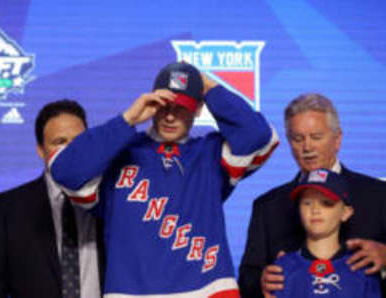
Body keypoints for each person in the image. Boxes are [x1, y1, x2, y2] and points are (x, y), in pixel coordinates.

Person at [49, 62, 279, 297]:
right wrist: (127, 119)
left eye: (181, 108)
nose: (170, 117)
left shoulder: (211, 153)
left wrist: (210, 88)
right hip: (132, 292)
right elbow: (64, 170)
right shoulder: (118, 153)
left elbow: (260, 135)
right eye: (164, 106)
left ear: (198, 109)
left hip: (208, 289)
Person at [238, 93, 386, 298]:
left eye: (316, 137)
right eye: (298, 139)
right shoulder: (268, 206)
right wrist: (260, 282)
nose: (307, 147)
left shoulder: (378, 196)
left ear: (337, 139)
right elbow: (247, 279)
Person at [0, 100, 103, 298]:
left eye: (78, 141)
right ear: (40, 150)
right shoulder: (7, 210)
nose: (70, 151)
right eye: (59, 142)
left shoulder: (113, 200)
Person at [273, 168, 381, 297]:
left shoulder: (361, 268)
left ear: (346, 212)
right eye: (307, 203)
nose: (315, 210)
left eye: (326, 203)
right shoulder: (283, 267)